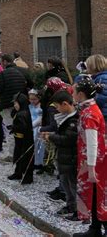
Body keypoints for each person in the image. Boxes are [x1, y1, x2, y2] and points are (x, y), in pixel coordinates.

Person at [72, 76, 106, 237]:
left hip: (95, 162)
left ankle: (99, 228)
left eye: (74, 91)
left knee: (99, 195)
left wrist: (91, 169)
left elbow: (93, 143)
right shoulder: (88, 109)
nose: (71, 93)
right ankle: (95, 229)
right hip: (91, 160)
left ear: (80, 94)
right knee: (94, 195)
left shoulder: (89, 114)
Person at [41, 90, 79, 220]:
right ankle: (70, 205)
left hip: (71, 158)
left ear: (65, 104)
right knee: (65, 183)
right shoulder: (66, 117)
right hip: (63, 157)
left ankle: (78, 211)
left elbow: (68, 139)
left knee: (72, 185)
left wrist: (51, 137)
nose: (56, 109)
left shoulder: (73, 120)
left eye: (57, 106)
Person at [8, 93, 34, 184]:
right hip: (19, 139)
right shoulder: (22, 112)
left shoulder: (22, 114)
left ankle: (27, 177)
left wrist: (14, 128)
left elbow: (23, 127)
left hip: (24, 140)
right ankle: (18, 173)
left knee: (24, 158)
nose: (14, 105)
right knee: (18, 156)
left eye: (16, 103)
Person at [85, 54, 107, 126]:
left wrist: (86, 101)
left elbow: (101, 98)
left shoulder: (102, 78)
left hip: (104, 113)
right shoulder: (97, 77)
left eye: (88, 65)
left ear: (93, 66)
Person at [28, 89, 44, 173]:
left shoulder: (40, 107)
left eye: (34, 99)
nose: (32, 101)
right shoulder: (30, 106)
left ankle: (38, 163)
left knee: (38, 146)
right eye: (31, 99)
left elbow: (39, 119)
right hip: (30, 126)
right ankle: (32, 161)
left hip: (37, 127)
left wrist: (31, 125)